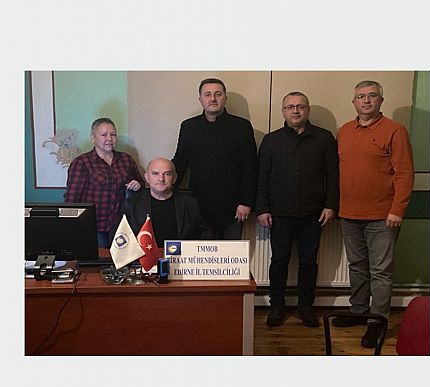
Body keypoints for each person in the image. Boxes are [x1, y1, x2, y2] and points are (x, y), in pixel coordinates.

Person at [332, 80, 415, 348]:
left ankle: (377, 322)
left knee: (380, 272)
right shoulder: (345, 131)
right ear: (354, 101)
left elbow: (404, 173)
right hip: (349, 214)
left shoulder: (395, 130)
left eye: (372, 96)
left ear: (380, 100)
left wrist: (397, 210)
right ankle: (358, 311)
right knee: (357, 266)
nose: (366, 100)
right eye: (361, 96)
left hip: (383, 217)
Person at [256, 91, 339, 328]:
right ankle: (276, 307)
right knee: (279, 261)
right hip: (279, 214)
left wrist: (331, 205)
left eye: (300, 106)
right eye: (290, 107)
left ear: (307, 110)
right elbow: (262, 177)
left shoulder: (324, 138)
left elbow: (333, 175)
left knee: (309, 262)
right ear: (283, 111)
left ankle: (305, 308)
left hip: (313, 214)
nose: (295, 111)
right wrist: (262, 208)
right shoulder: (271, 141)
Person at [172, 78, 258, 239]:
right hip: (199, 206)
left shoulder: (241, 127)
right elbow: (180, 163)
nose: (213, 99)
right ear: (200, 99)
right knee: (203, 254)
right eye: (207, 94)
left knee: (231, 254)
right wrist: (165, 190)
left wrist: (246, 202)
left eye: (218, 94)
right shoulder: (189, 127)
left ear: (225, 98)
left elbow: (251, 167)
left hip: (234, 208)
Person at [64, 117, 144, 248]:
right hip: (94, 227)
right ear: (93, 138)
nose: (109, 139)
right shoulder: (82, 162)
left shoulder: (126, 159)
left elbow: (141, 183)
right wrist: (71, 227)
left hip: (122, 227)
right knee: (98, 260)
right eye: (103, 135)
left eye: (113, 134)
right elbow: (72, 200)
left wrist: (138, 184)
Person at [121, 157, 207, 244]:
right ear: (147, 177)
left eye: (167, 174)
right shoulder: (131, 204)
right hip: (144, 252)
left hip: (183, 252)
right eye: (155, 174)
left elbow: (205, 232)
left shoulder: (191, 204)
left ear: (174, 178)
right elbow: (121, 236)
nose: (161, 179)